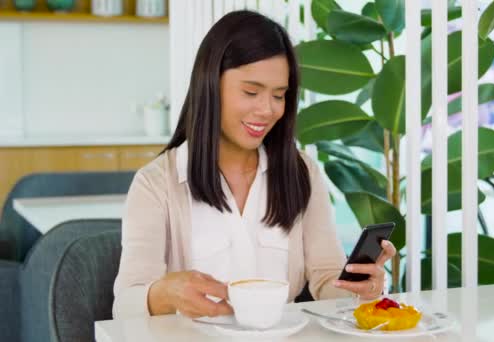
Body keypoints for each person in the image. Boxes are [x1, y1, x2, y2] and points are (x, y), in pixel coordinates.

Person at [112, 10, 396, 319]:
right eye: (251, 92)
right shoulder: (157, 184)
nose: (267, 109)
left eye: (279, 95)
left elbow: (327, 279)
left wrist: (362, 288)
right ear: (210, 84)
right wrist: (163, 294)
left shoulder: (302, 172)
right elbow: (125, 306)